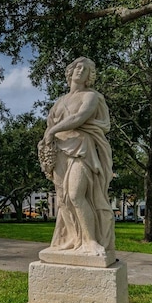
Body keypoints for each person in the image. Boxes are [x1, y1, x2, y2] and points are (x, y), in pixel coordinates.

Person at [38, 57, 115, 255]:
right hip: (59, 151)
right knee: (63, 199)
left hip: (81, 150)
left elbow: (78, 118)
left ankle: (90, 241)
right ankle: (71, 240)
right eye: (78, 67)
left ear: (90, 75)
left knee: (76, 194)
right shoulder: (60, 101)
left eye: (86, 69)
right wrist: (50, 136)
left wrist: (52, 130)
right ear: (70, 72)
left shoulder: (92, 96)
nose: (81, 71)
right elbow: (51, 124)